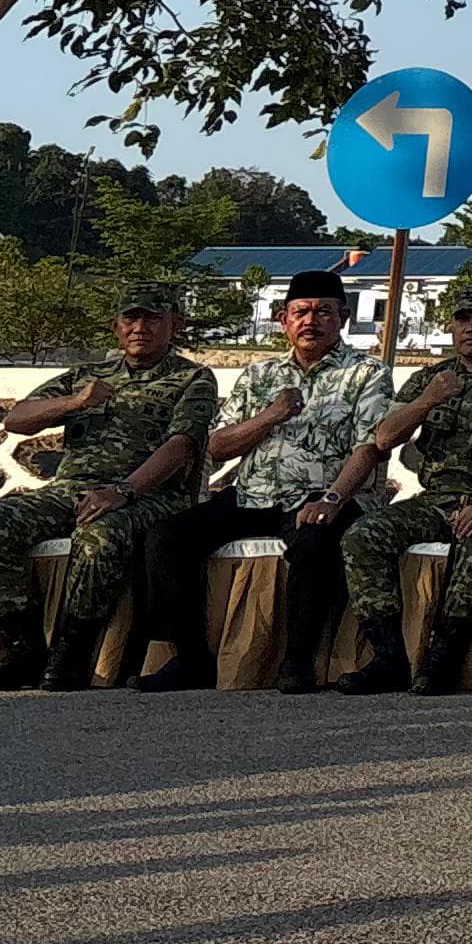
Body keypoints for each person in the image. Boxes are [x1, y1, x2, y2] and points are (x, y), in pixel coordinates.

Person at [134, 264, 396, 694]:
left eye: (324, 312)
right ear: (283, 320)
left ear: (342, 319)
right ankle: (190, 658)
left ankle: (297, 661)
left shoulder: (365, 373)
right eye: (301, 312)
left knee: (314, 542)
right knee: (166, 536)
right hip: (252, 495)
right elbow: (218, 447)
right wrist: (271, 415)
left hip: (322, 494)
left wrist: (332, 499)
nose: (311, 321)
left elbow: (369, 447)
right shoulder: (259, 375)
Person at [0, 283, 220, 691]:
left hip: (151, 496)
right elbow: (17, 420)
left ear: (175, 325)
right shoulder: (87, 376)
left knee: (100, 535)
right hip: (71, 489)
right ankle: (22, 646)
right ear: (116, 326)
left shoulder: (192, 379)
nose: (140, 327)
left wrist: (123, 492)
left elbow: (180, 448)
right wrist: (74, 403)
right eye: (131, 318)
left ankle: (72, 651)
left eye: (153, 318)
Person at [327, 283, 472, 694]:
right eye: (463, 319)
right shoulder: (429, 378)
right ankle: (388, 655)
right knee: (363, 535)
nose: (471, 328)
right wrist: (426, 401)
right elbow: (383, 440)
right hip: (435, 501)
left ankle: (445, 653)